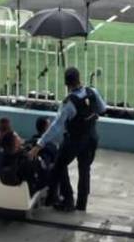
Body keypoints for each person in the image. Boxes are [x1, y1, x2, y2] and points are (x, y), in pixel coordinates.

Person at [34, 66, 106, 212]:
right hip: (91, 138)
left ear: (66, 84)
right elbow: (102, 109)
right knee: (85, 170)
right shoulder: (92, 92)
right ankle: (81, 205)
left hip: (74, 140)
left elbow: (56, 127)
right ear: (79, 79)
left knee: (59, 166)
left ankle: (66, 200)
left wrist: (40, 144)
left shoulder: (68, 103)